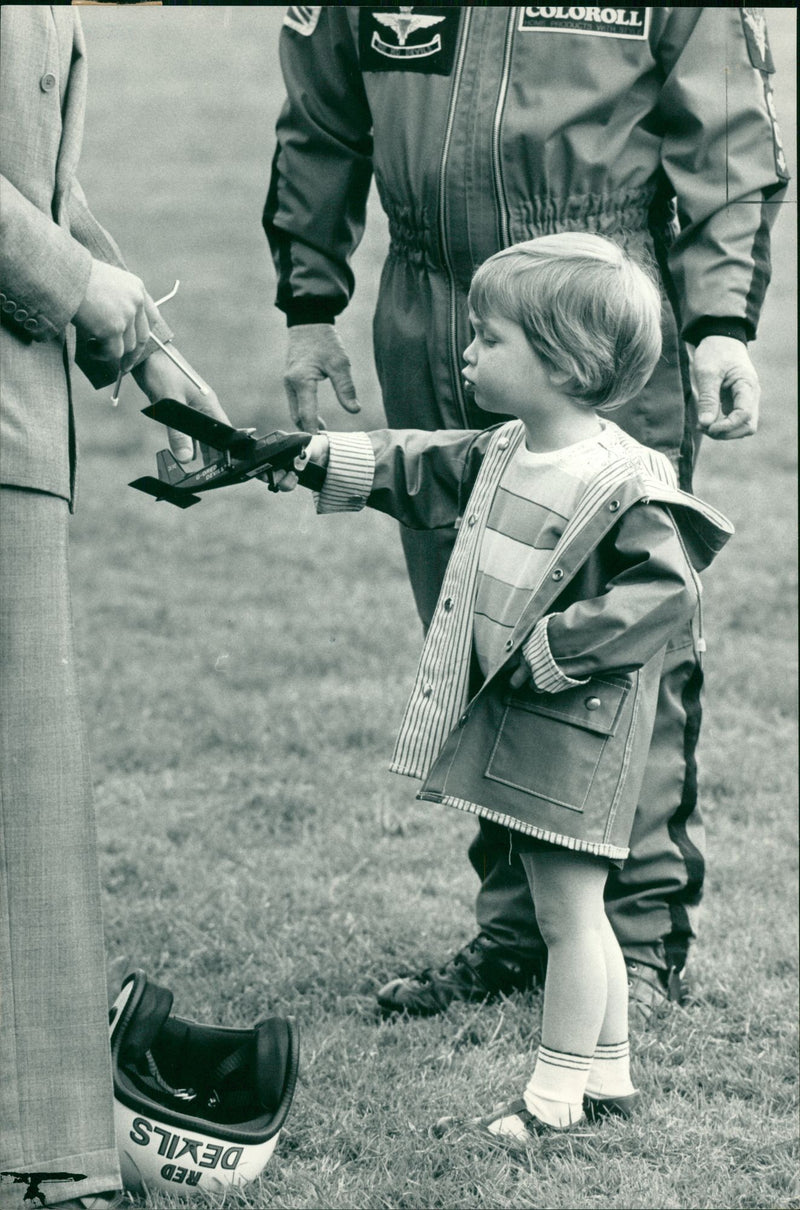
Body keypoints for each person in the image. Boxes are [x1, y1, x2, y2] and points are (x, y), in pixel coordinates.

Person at [264, 5, 788, 1018]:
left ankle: (629, 940)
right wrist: (308, 305)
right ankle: (517, 926)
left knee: (613, 645)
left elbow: (722, 129)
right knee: (475, 624)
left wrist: (719, 323)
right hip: (435, 313)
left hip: (598, 314)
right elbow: (319, 119)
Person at [274, 233, 732, 1141]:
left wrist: (558, 647)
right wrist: (312, 457)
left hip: (576, 730)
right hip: (535, 722)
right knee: (577, 909)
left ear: (566, 360)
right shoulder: (509, 449)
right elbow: (418, 465)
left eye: (489, 339)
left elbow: (668, 592)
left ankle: (553, 1100)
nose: (466, 353)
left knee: (566, 916)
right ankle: (608, 1078)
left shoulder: (621, 478)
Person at [0, 8, 230, 1208]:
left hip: (25, 409)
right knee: (22, 787)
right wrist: (79, 285)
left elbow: (38, 178)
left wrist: (147, 350)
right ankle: (47, 1152)